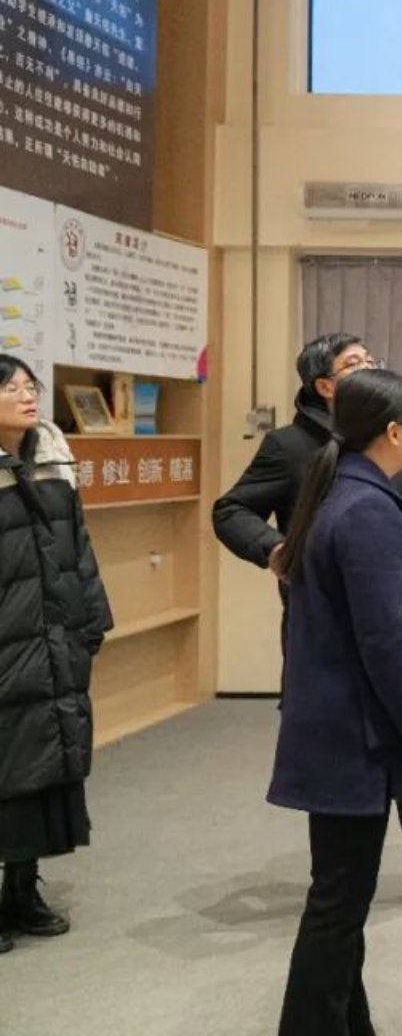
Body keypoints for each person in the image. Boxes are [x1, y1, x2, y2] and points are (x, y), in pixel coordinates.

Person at [213, 334, 402, 912]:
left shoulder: (397, 442)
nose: (370, 367)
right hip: (327, 624)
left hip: (392, 610)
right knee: (349, 741)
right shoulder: (290, 447)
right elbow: (230, 509)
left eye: (372, 360)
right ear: (324, 385)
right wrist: (276, 550)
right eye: (354, 364)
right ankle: (339, 873)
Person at [270, 368, 402, 1033]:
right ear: (393, 432)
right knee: (338, 903)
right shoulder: (368, 510)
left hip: (337, 724)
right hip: (351, 732)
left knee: (342, 897)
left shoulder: (345, 494)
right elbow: (387, 641)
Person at [0, 357, 112, 953]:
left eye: (29, 386)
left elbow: (79, 546)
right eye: (10, 387)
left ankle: (23, 890)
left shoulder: (51, 454)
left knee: (43, 769)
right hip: (8, 640)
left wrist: (91, 619)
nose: (26, 395)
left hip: (52, 634)